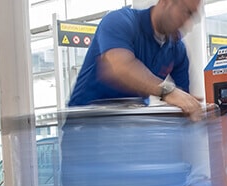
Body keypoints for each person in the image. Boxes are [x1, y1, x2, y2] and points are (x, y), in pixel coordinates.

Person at [68, 0, 204, 121]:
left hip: (131, 127)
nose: (188, 23)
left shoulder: (176, 49)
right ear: (165, 2)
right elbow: (121, 68)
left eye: (192, 16)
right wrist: (168, 91)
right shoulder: (120, 21)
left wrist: (196, 107)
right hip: (87, 124)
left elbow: (183, 98)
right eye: (186, 12)